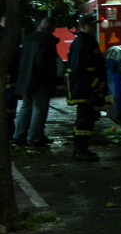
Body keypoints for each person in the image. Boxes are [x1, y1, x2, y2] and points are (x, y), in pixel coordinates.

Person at [13, 17, 59, 147]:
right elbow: (44, 63)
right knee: (39, 110)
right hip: (40, 81)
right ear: (52, 27)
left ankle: (19, 136)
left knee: (25, 108)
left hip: (26, 79)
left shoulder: (29, 39)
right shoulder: (47, 41)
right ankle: (34, 138)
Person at [66, 14, 106, 161]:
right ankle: (80, 151)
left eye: (96, 24)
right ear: (83, 27)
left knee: (87, 119)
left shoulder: (88, 42)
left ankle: (82, 149)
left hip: (89, 88)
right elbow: (79, 70)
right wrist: (96, 83)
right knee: (84, 120)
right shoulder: (81, 43)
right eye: (91, 25)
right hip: (84, 89)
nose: (95, 28)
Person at [1, 17, 21, 140]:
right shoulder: (4, 35)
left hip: (10, 75)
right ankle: (8, 132)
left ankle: (9, 132)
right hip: (8, 77)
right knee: (9, 107)